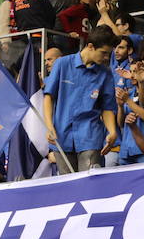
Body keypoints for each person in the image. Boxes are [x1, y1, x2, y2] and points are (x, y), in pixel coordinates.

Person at [44, 26, 119, 172]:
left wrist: (112, 131)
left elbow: (107, 108)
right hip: (61, 136)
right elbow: (48, 97)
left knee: (90, 184)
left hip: (90, 137)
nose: (106, 58)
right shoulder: (62, 64)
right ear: (90, 46)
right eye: (103, 53)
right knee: (67, 186)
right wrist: (49, 126)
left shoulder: (105, 74)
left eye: (108, 54)